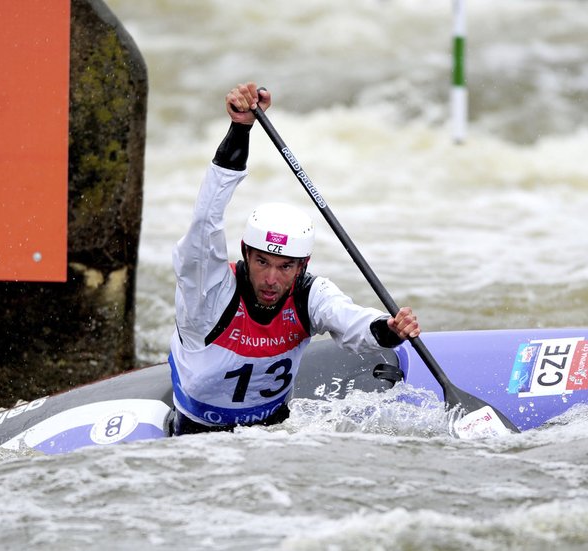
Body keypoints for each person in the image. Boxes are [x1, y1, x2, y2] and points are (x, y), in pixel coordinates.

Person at [168, 82, 421, 435]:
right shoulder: (207, 292)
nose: (272, 279)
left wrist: (390, 330)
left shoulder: (308, 295)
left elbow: (354, 324)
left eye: (286, 266)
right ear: (245, 253)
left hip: (274, 434)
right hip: (195, 436)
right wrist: (240, 128)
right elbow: (206, 218)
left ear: (302, 265)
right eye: (262, 263)